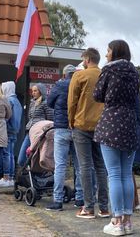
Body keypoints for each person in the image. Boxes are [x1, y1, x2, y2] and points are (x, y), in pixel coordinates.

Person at [93, 40, 140, 236]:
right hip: (130, 123)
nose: (106, 54)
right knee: (126, 174)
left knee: (113, 174)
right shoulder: (135, 72)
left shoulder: (108, 70)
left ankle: (116, 221)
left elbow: (97, 95)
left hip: (111, 122)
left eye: (108, 50)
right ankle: (127, 222)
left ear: (115, 52)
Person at [68, 48, 108, 219]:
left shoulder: (79, 75)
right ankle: (104, 207)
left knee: (84, 166)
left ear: (86, 59)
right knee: (101, 166)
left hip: (82, 124)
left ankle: (89, 207)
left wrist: (71, 122)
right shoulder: (105, 75)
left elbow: (72, 102)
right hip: (101, 125)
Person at [45, 64, 85, 211]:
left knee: (60, 165)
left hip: (61, 128)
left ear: (64, 75)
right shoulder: (81, 84)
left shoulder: (59, 85)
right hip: (78, 128)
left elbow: (49, 103)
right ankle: (80, 199)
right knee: (79, 165)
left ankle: (58, 200)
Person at [17, 83, 53, 168]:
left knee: (39, 158)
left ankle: (37, 177)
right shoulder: (32, 103)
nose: (33, 93)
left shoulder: (46, 103)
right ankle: (29, 174)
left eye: (35, 91)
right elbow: (30, 117)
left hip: (41, 133)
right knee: (21, 159)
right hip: (30, 132)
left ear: (41, 91)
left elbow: (50, 119)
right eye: (32, 91)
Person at [0, 81, 23, 187]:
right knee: (11, 154)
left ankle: (6, 177)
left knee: (6, 154)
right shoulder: (17, 101)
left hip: (7, 130)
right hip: (15, 130)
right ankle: (11, 177)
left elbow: (6, 116)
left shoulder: (9, 100)